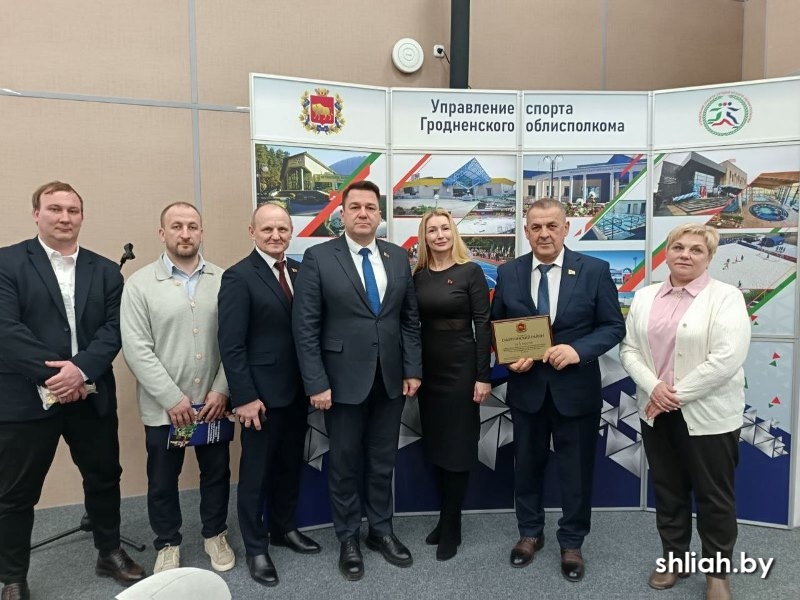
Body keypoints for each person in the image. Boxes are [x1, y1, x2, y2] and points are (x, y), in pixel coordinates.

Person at [0, 181, 145, 600]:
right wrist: (57, 377)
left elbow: (114, 329)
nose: (64, 218)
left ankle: (108, 552)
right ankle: (13, 576)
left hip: (90, 393)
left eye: (73, 210)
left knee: (104, 476)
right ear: (36, 214)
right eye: (55, 209)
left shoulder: (105, 270)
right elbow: (7, 330)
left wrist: (80, 370)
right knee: (16, 492)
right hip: (25, 398)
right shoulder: (7, 263)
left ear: (82, 216)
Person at [292, 180, 422, 581]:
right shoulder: (318, 257)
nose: (363, 213)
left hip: (390, 380)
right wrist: (316, 382)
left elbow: (409, 319)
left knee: (382, 462)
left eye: (370, 207)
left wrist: (413, 368)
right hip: (340, 383)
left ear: (380, 214)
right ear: (342, 214)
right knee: (345, 464)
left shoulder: (397, 257)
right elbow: (305, 326)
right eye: (355, 207)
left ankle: (380, 531)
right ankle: (348, 537)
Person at [490, 198, 625, 582]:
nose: (544, 233)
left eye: (552, 226)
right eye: (536, 227)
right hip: (527, 390)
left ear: (566, 228)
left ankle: (572, 542)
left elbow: (613, 326)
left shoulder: (594, 270)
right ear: (526, 231)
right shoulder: (510, 272)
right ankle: (530, 533)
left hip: (576, 391)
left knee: (576, 472)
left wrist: (578, 350)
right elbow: (497, 325)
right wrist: (507, 358)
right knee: (526, 467)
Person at [619, 224, 750, 600]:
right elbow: (629, 350)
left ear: (709, 258)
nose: (685, 255)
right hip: (656, 412)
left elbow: (727, 358)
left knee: (714, 496)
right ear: (667, 253)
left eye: (696, 250)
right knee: (669, 491)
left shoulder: (726, 297)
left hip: (708, 416)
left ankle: (717, 574)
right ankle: (674, 560)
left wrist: (673, 395)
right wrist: (655, 388)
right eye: (678, 247)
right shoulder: (645, 297)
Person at [120, 202, 234, 576]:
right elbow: (136, 348)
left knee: (216, 473)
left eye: (192, 226)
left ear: (201, 232)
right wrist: (172, 398)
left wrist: (221, 389)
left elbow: (236, 341)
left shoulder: (223, 280)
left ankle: (215, 534)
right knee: (163, 479)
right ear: (162, 233)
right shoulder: (140, 284)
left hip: (213, 406)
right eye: (177, 226)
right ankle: (168, 543)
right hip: (168, 411)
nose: (185, 233)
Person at [217, 203, 320, 588]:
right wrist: (243, 397)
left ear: (291, 232)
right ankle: (256, 547)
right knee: (256, 475)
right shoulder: (238, 276)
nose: (275, 236)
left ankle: (284, 529)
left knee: (289, 466)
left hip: (297, 393)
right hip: (259, 398)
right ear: (252, 232)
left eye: (282, 229)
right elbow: (231, 345)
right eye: (267, 229)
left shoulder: (300, 271)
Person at [411, 209, 491, 561]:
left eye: (445, 228)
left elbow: (483, 325)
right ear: (424, 237)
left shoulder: (470, 271)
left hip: (462, 370)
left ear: (453, 233)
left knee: (458, 447)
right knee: (437, 445)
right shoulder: (418, 275)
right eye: (432, 230)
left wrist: (483, 375)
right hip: (428, 372)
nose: (440, 235)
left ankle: (452, 524)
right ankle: (445, 519)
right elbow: (410, 325)